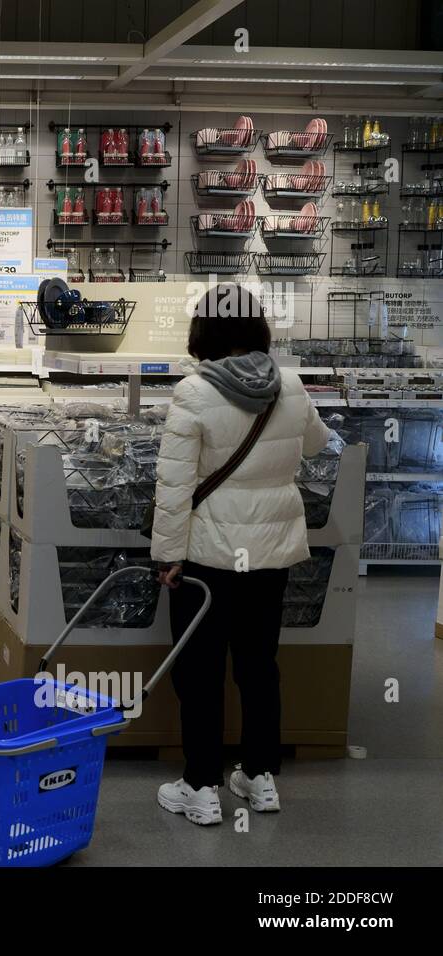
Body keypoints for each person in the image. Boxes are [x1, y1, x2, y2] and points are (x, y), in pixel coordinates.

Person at [150, 283, 330, 826]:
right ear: (257, 330)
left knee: (200, 672)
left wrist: (167, 557)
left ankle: (201, 786)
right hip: (271, 555)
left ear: (201, 333)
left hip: (209, 555)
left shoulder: (194, 392)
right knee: (258, 667)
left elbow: (174, 485)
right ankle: (259, 777)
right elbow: (318, 444)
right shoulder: (291, 387)